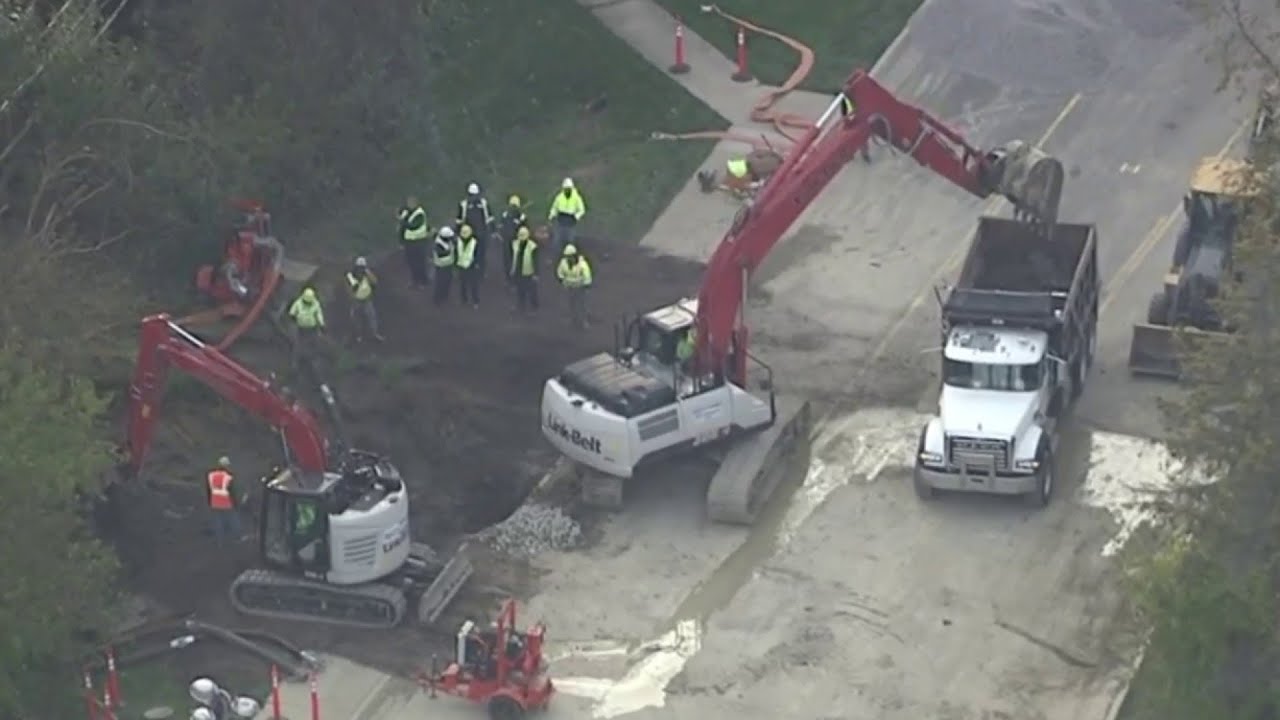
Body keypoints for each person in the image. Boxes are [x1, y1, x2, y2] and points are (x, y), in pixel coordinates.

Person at [457, 183, 493, 276]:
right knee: (467, 253)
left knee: (481, 253)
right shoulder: (463, 204)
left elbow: (489, 218)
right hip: (467, 234)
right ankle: (467, 271)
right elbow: (459, 220)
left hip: (481, 233)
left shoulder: (484, 203)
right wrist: (458, 232)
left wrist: (492, 230)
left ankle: (480, 272)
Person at [346, 256, 383, 343]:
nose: (360, 270)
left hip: (367, 299)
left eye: (362, 268)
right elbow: (348, 288)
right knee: (356, 318)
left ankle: (374, 334)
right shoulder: (350, 276)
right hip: (356, 301)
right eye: (359, 268)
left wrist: (368, 273)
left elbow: (375, 282)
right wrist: (352, 297)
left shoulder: (367, 274)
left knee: (372, 317)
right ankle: (358, 335)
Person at [206, 457, 241, 547]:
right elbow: (232, 492)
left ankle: (219, 541)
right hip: (226, 503)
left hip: (214, 502)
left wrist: (210, 501)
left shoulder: (211, 475)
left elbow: (209, 490)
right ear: (226, 466)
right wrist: (236, 503)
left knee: (218, 522)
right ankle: (237, 538)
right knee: (233, 520)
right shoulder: (228, 477)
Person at [556, 243, 592, 329]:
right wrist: (561, 279)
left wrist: (587, 284)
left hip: (580, 287)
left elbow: (587, 274)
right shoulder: (563, 262)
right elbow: (559, 271)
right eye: (567, 256)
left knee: (582, 305)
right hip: (569, 287)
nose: (568, 258)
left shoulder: (582, 263)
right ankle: (572, 320)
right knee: (570, 304)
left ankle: (583, 321)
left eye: (570, 256)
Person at [397, 196, 430, 288]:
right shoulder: (406, 212)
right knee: (412, 262)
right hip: (409, 242)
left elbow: (413, 226)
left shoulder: (420, 214)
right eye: (408, 203)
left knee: (420, 262)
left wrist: (402, 221)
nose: (410, 205)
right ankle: (415, 281)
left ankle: (423, 281)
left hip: (419, 241)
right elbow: (402, 228)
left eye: (412, 203)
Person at [288, 287, 325, 367]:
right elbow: (292, 311)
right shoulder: (298, 302)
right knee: (299, 344)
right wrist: (293, 317)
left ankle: (312, 360)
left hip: (312, 328)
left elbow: (319, 314)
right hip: (301, 328)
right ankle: (296, 363)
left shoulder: (316, 304)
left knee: (313, 343)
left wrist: (322, 324)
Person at [547, 177, 586, 255]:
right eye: (566, 188)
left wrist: (576, 217)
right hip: (561, 219)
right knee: (557, 239)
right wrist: (551, 216)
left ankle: (571, 254)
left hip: (570, 220)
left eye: (568, 188)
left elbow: (582, 209)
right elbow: (554, 208)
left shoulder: (576, 198)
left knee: (570, 239)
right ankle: (556, 255)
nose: (567, 190)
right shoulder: (559, 197)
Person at [498, 195, 529, 289]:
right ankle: (510, 280)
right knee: (509, 261)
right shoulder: (506, 215)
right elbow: (501, 226)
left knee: (515, 261)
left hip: (515, 241)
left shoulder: (521, 217)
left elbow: (526, 229)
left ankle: (514, 280)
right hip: (508, 241)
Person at [509, 225, 539, 312]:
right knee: (520, 290)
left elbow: (536, 261)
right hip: (518, 271)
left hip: (529, 272)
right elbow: (512, 257)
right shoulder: (515, 244)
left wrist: (536, 273)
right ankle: (521, 306)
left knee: (532, 290)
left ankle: (534, 306)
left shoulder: (532, 246)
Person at [456, 224, 481, 308]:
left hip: (472, 266)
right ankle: (464, 300)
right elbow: (457, 252)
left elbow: (478, 254)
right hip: (461, 265)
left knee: (473, 284)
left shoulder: (474, 242)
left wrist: (477, 263)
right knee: (463, 284)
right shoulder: (458, 241)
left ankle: (475, 301)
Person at [431, 225, 457, 306]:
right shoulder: (438, 245)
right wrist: (451, 250)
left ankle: (445, 296)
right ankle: (437, 299)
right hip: (441, 267)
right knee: (440, 283)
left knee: (448, 281)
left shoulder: (447, 240)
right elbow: (442, 254)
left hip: (448, 266)